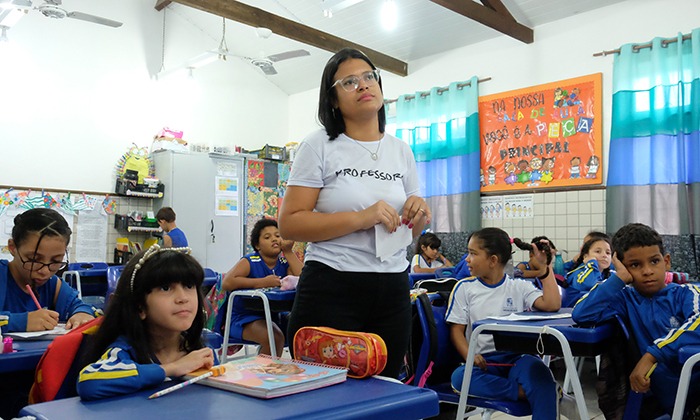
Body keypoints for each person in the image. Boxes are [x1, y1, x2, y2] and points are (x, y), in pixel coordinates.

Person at [279, 47, 430, 379]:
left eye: (369, 76)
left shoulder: (401, 150)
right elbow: (289, 223)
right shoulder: (319, 145)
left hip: (392, 287)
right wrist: (363, 217)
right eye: (349, 82)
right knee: (323, 390)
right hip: (333, 284)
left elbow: (410, 229)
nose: (363, 85)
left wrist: (418, 216)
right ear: (333, 100)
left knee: (384, 389)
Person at [572, 223, 700, 417]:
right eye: (635, 265)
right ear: (622, 267)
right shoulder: (624, 299)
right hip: (664, 403)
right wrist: (618, 279)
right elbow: (581, 313)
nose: (647, 271)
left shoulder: (686, 293)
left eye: (654, 261)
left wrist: (653, 355)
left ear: (666, 261)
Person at [446, 228, 563, 419]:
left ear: (493, 260)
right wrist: (470, 355)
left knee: (540, 374)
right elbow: (456, 331)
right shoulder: (465, 288)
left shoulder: (519, 286)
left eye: (473, 254)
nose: (467, 259)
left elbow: (551, 304)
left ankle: (538, 391)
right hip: (484, 362)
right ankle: (522, 392)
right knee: (460, 378)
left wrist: (546, 268)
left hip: (517, 359)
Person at [77, 244, 216, 400]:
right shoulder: (125, 350)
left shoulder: (198, 350)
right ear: (140, 307)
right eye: (166, 288)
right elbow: (89, 382)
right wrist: (172, 368)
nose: (183, 298)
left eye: (189, 286)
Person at [0, 208, 96, 419]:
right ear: (12, 248)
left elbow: (81, 306)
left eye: (55, 261)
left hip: (38, 381)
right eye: (34, 259)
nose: (45, 270)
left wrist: (81, 315)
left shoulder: (53, 285)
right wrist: (21, 321)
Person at [221, 218, 303, 356]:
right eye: (267, 237)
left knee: (300, 331)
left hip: (273, 317)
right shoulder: (250, 261)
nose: (274, 239)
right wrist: (263, 282)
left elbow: (304, 279)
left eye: (278, 235)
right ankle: (263, 369)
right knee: (275, 337)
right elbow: (227, 283)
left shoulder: (284, 262)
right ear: (257, 245)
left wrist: (288, 252)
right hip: (243, 319)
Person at [562, 236, 612, 307]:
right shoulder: (579, 272)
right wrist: (592, 263)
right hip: (572, 311)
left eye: (608, 253)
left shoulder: (610, 274)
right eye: (598, 251)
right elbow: (588, 284)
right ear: (585, 257)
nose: (604, 255)